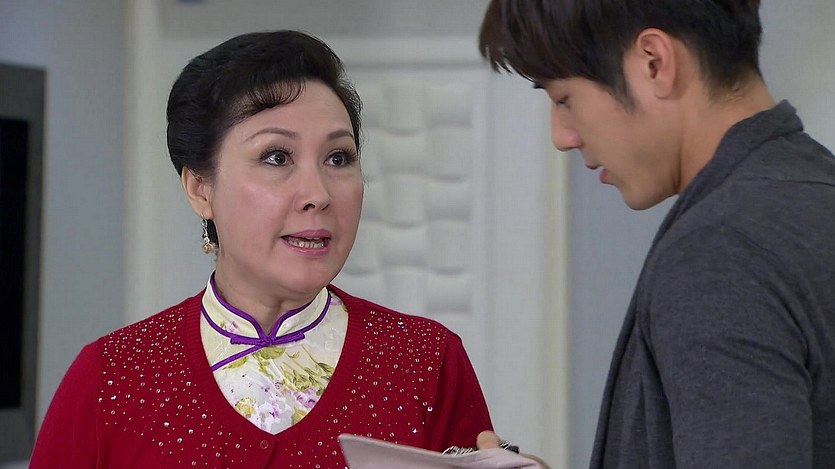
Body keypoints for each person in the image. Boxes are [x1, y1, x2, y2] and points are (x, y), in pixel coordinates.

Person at [30, 30, 492, 468]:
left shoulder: (425, 362)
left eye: (338, 158)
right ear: (200, 188)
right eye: (277, 157)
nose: (318, 193)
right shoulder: (111, 379)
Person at [475, 0, 835, 467]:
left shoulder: (719, 252)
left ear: (654, 63)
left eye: (564, 98)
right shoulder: (814, 191)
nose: (562, 136)